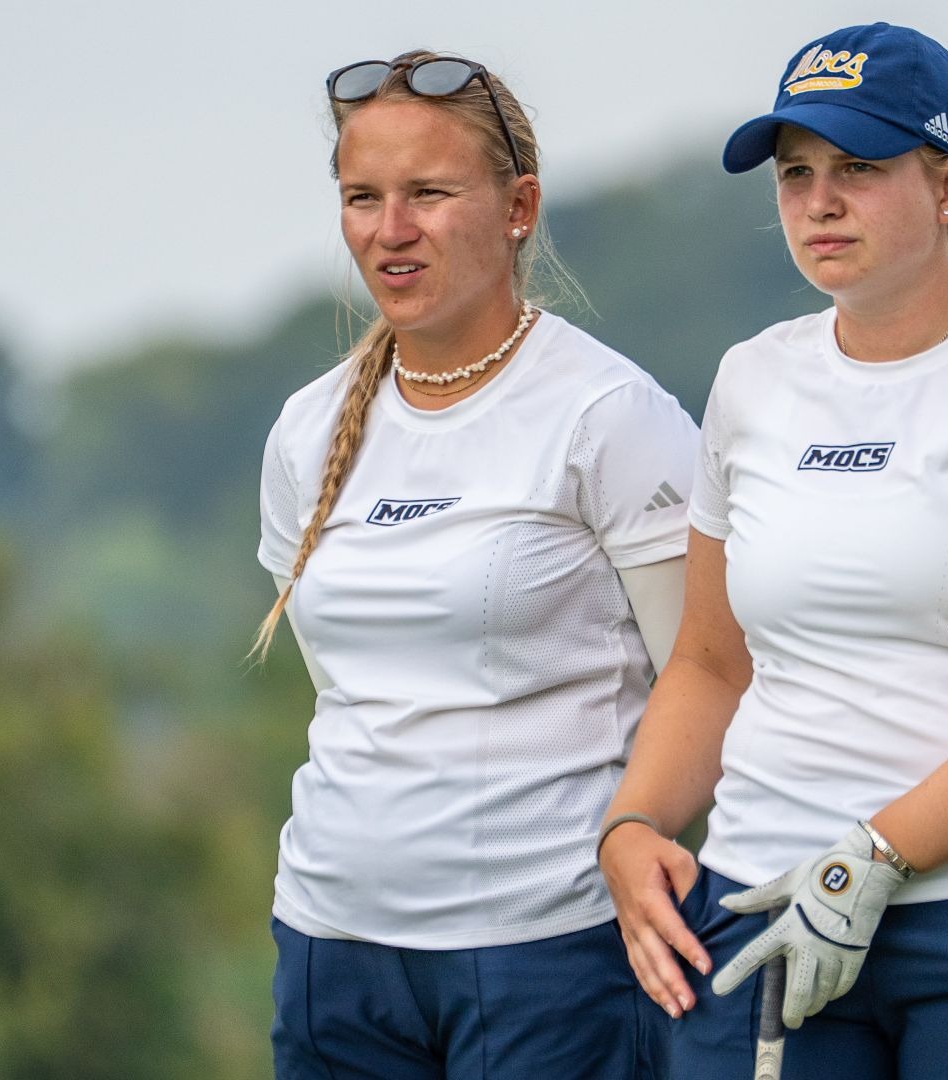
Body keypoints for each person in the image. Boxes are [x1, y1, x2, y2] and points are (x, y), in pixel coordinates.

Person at [597, 23, 948, 1080]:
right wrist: (634, 822)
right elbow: (713, 662)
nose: (819, 202)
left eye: (858, 169)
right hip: (763, 912)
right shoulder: (753, 382)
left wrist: (875, 855)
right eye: (796, 173)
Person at [251, 51, 697, 1079]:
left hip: (554, 956)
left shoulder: (611, 417)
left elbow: (708, 681)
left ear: (518, 206)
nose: (389, 228)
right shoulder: (305, 431)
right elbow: (360, 687)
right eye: (362, 197)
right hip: (331, 949)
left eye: (429, 194)